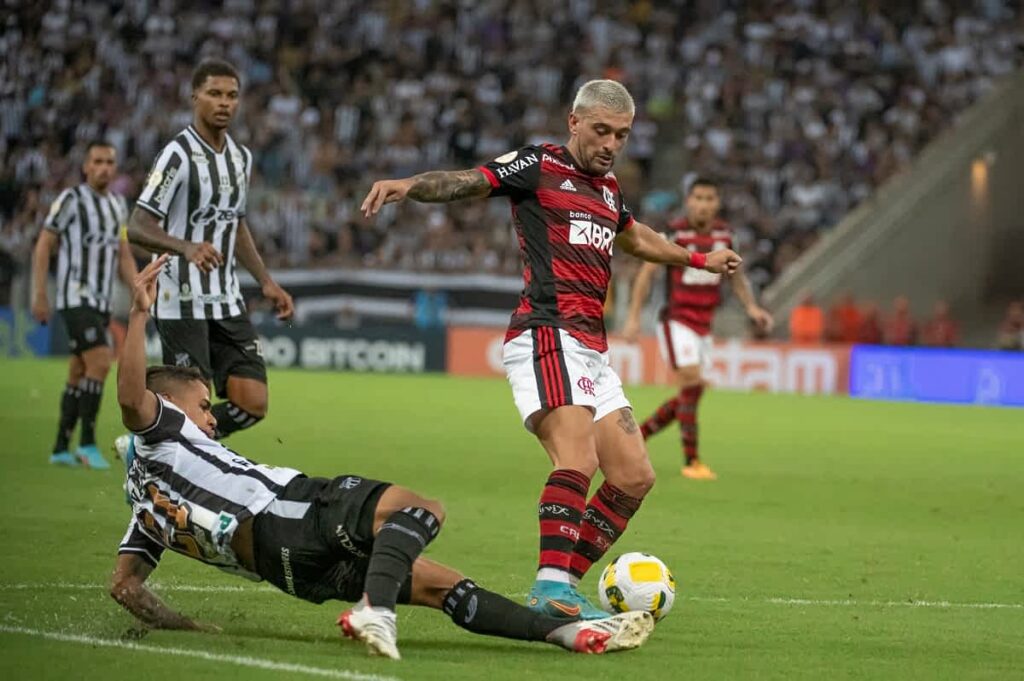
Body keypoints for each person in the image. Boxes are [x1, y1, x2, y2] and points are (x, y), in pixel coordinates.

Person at [112, 255, 654, 660]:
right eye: (204, 407)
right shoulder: (163, 428)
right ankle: (377, 609)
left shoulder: (144, 507)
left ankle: (565, 633)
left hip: (289, 574)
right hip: (287, 509)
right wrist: (140, 317)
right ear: (168, 405)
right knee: (421, 509)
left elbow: (126, 587)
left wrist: (186, 628)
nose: (212, 418)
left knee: (441, 586)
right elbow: (132, 399)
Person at [361, 80, 741, 619]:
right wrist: (410, 185)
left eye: (623, 135)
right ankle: (551, 586)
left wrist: (699, 261)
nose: (611, 144)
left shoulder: (608, 190)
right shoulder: (539, 164)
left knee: (634, 475)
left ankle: (565, 585)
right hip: (547, 332)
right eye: (602, 131)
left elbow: (635, 238)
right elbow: (469, 181)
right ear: (574, 122)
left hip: (591, 348)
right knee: (578, 458)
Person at [126, 58, 294, 439]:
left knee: (253, 401)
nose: (224, 103)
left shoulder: (241, 158)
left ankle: (155, 440)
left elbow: (234, 223)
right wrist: (185, 247)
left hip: (226, 295)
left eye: (232, 96)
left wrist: (266, 281)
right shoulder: (178, 154)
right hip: (179, 295)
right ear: (194, 97)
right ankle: (178, 472)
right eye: (214, 94)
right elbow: (137, 224)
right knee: (191, 400)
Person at [622, 178, 772, 481]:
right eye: (698, 198)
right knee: (691, 381)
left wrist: (752, 308)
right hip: (676, 320)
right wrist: (634, 317)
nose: (703, 204)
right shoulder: (674, 233)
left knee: (692, 390)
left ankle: (635, 438)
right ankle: (692, 460)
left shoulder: (726, 236)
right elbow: (645, 275)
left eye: (709, 198)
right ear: (688, 201)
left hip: (705, 326)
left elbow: (737, 277)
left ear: (717, 203)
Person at [30, 141, 138, 469]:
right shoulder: (71, 200)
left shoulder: (118, 205)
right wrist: (39, 294)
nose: (104, 167)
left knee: (79, 369)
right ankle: (87, 444)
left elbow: (122, 252)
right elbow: (44, 245)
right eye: (98, 161)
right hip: (75, 296)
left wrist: (139, 290)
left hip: (102, 300)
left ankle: (61, 447)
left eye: (110, 162)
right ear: (86, 167)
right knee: (102, 360)